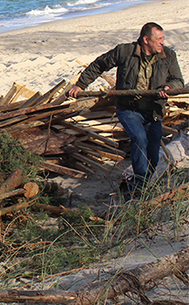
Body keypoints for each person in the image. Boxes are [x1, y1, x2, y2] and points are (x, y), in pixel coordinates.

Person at [68, 22, 184, 198]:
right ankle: (138, 187)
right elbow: (100, 64)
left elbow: (178, 80)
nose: (162, 42)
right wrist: (81, 84)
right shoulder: (124, 51)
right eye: (158, 39)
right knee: (139, 138)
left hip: (153, 110)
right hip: (129, 109)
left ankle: (141, 182)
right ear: (146, 39)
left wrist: (169, 87)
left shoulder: (168, 55)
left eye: (163, 39)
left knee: (153, 154)